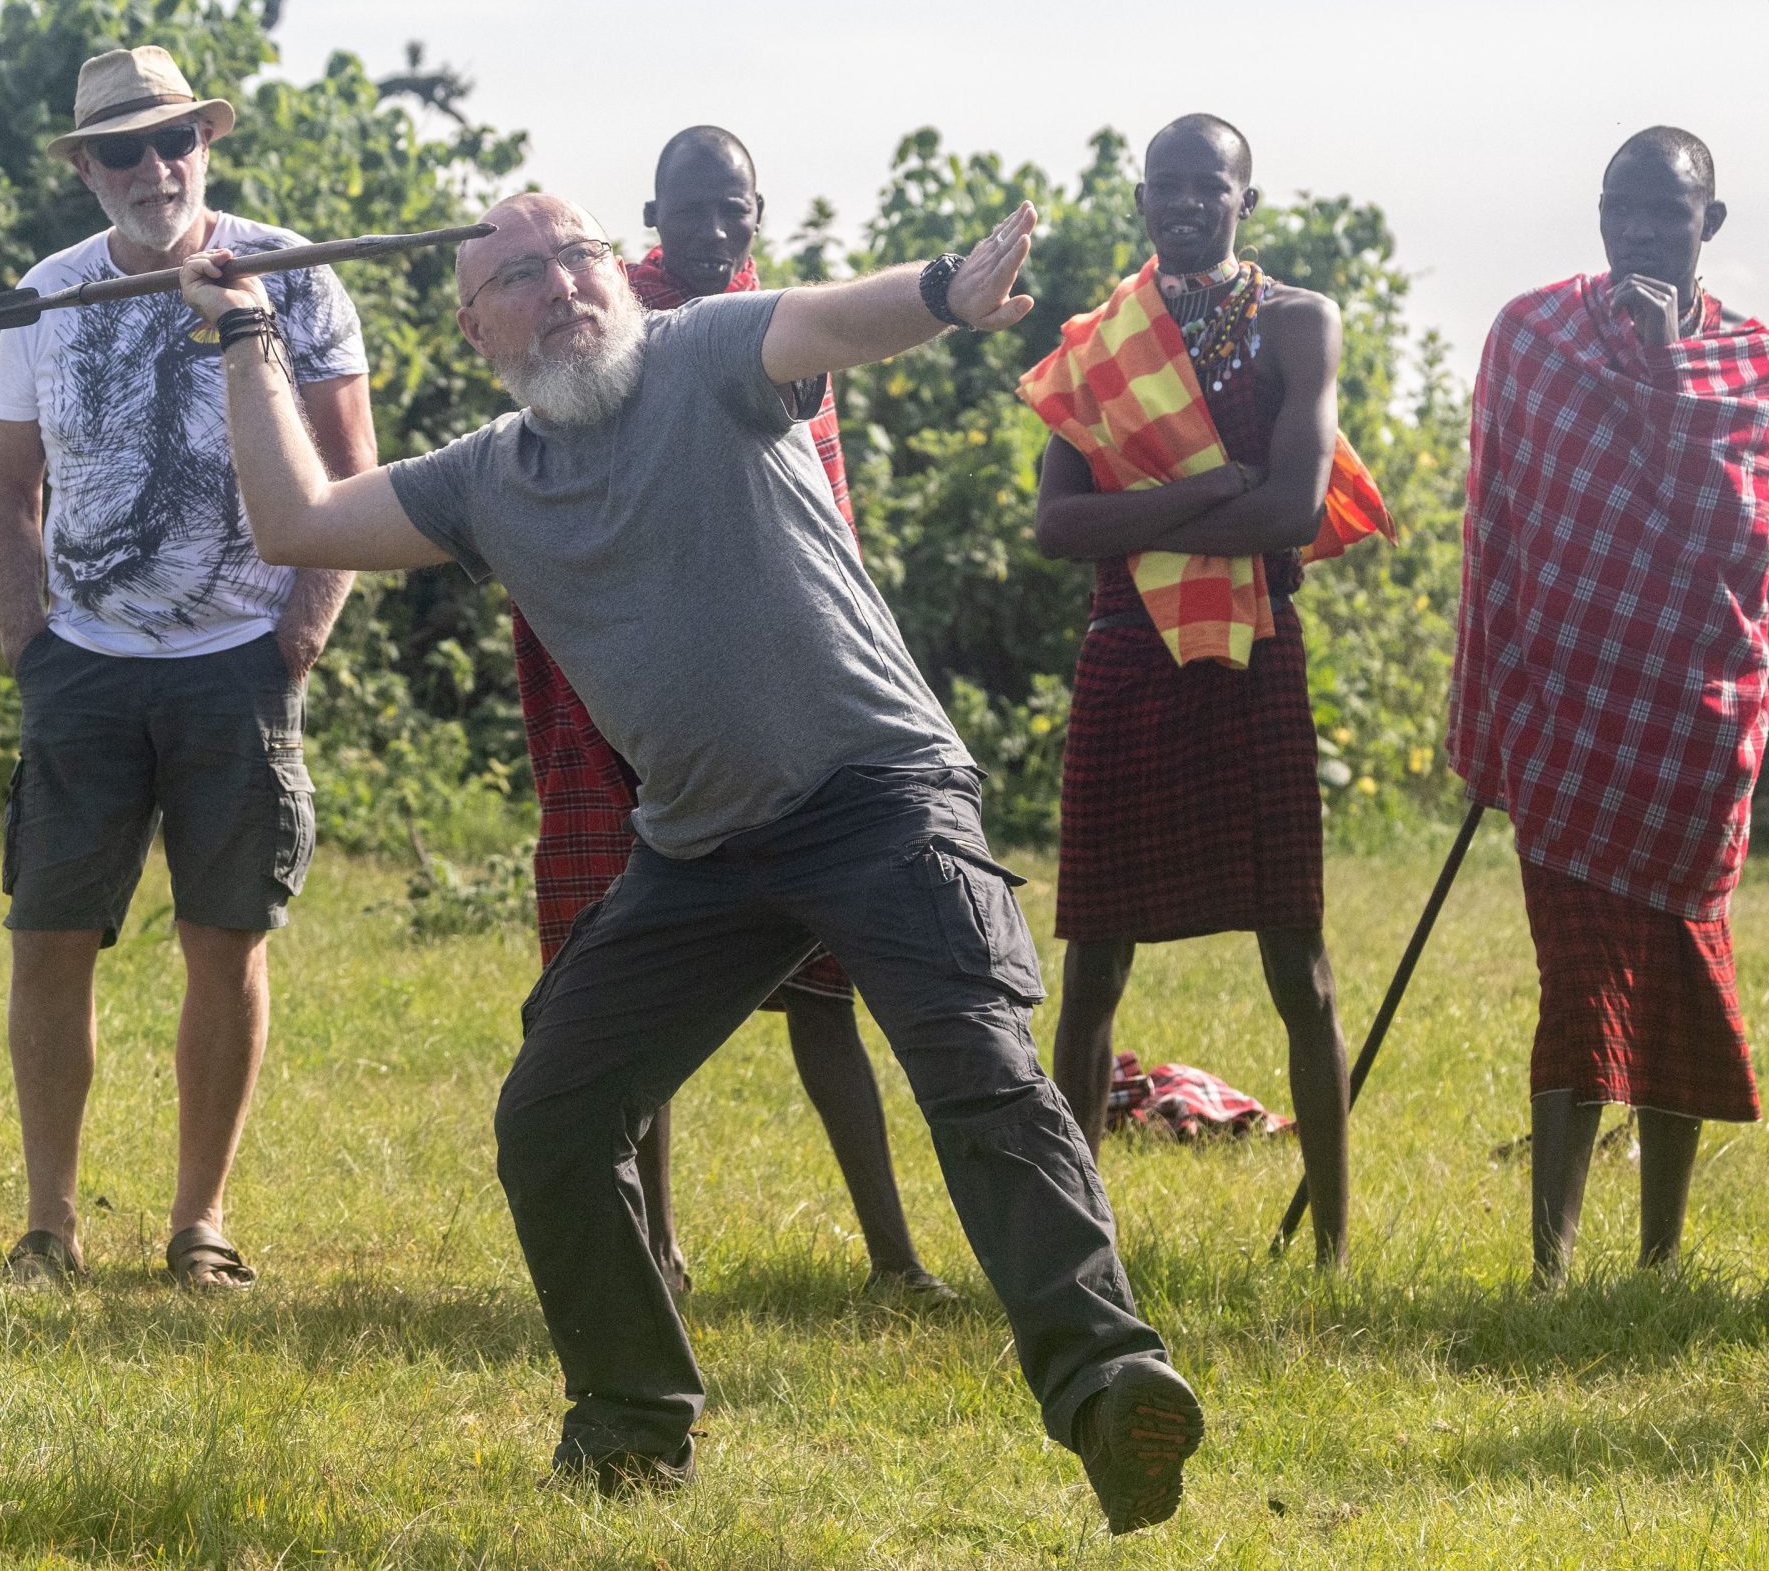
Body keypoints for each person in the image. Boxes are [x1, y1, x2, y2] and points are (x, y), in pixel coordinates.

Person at [178, 190, 1205, 1534]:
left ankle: (1116, 1391)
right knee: (552, 1119)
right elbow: (299, 521)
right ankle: (630, 1426)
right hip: (701, 850)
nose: (559, 286)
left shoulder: (708, 351)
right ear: (476, 322)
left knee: (982, 1077)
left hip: (878, 798)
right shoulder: (487, 478)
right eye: (520, 275)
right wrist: (249, 331)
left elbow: (841, 314)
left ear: (621, 274)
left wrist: (948, 288)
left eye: (577, 257)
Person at [510, 123, 953, 1306]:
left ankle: (894, 1259)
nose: (709, 234)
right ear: (648, 219)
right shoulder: (611, 324)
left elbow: (822, 523)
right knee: (630, 989)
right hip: (634, 702)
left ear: (758, 217)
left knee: (827, 989)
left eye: (732, 212)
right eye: (687, 212)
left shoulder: (783, 322)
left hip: (784, 707)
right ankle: (652, 1247)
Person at [0, 46, 375, 1290]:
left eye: (174, 142)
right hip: (83, 668)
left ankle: (199, 1223)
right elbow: (8, 492)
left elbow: (350, 470)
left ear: (206, 144)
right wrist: (30, 649)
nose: (154, 168)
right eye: (122, 150)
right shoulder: (47, 297)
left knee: (226, 940)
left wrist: (299, 633)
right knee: (47, 939)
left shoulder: (292, 276)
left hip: (237, 664)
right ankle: (49, 1228)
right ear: (86, 169)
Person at [1019, 115, 1393, 1268]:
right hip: (1126, 653)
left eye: (1207, 188)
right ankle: (1080, 1247)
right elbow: (1053, 525)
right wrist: (1218, 482)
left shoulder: (1296, 324)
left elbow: (1292, 512)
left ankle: (1332, 1246)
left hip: (1254, 649)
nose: (1185, 204)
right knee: (1093, 965)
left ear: (1245, 199)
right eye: (1165, 188)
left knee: (1298, 958)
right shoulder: (1097, 345)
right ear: (1141, 201)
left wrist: (1163, 509)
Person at [1450, 126, 1769, 1288]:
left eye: (1666, 213)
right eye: (1620, 209)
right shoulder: (1532, 337)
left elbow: (1729, 535)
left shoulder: (1757, 368)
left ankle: (1657, 1260)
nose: (1641, 232)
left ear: (1712, 225)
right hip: (1564, 712)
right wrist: (1483, 712)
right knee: (1576, 986)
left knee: (1682, 985)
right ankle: (1549, 1264)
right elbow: (1488, 526)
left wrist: (1659, 372)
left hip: (1692, 722)